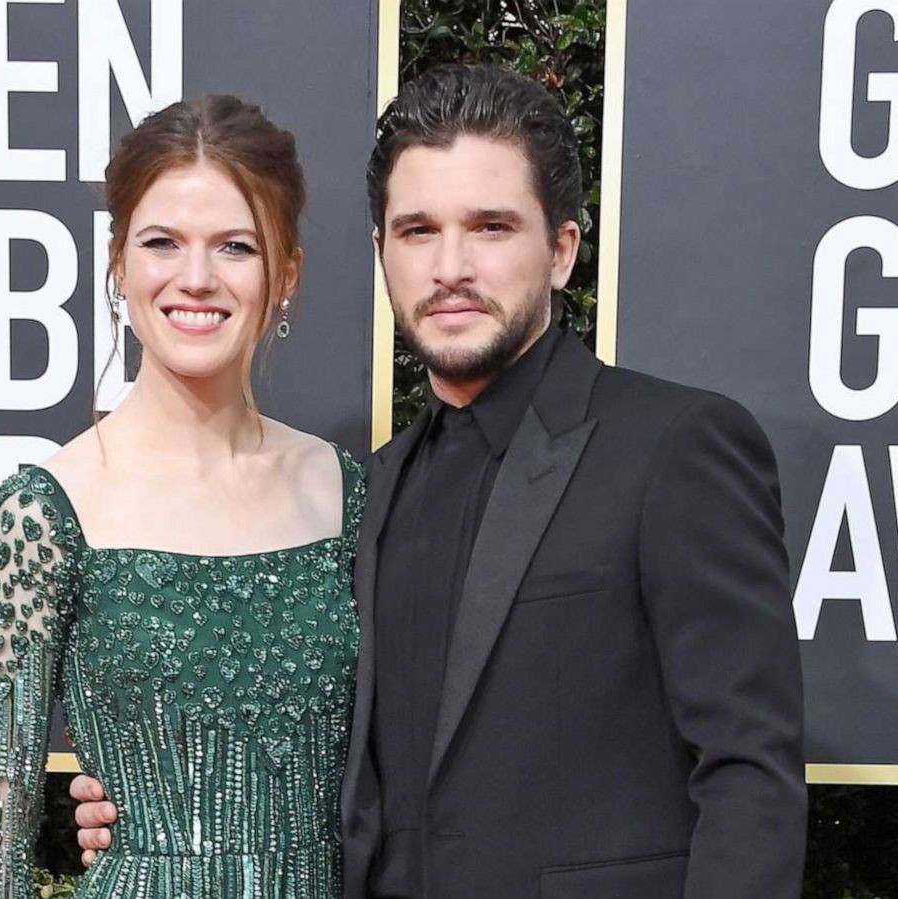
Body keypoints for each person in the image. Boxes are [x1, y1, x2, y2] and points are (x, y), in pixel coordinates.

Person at [74, 64, 806, 899]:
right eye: (418, 230)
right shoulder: (368, 490)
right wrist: (157, 806)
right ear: (383, 251)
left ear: (561, 249)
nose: (450, 265)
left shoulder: (674, 447)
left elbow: (750, 775)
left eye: (491, 227)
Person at [0, 94, 366, 899]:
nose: (196, 278)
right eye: (162, 242)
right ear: (118, 262)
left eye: (235, 246)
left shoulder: (345, 492)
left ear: (287, 273)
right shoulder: (45, 512)